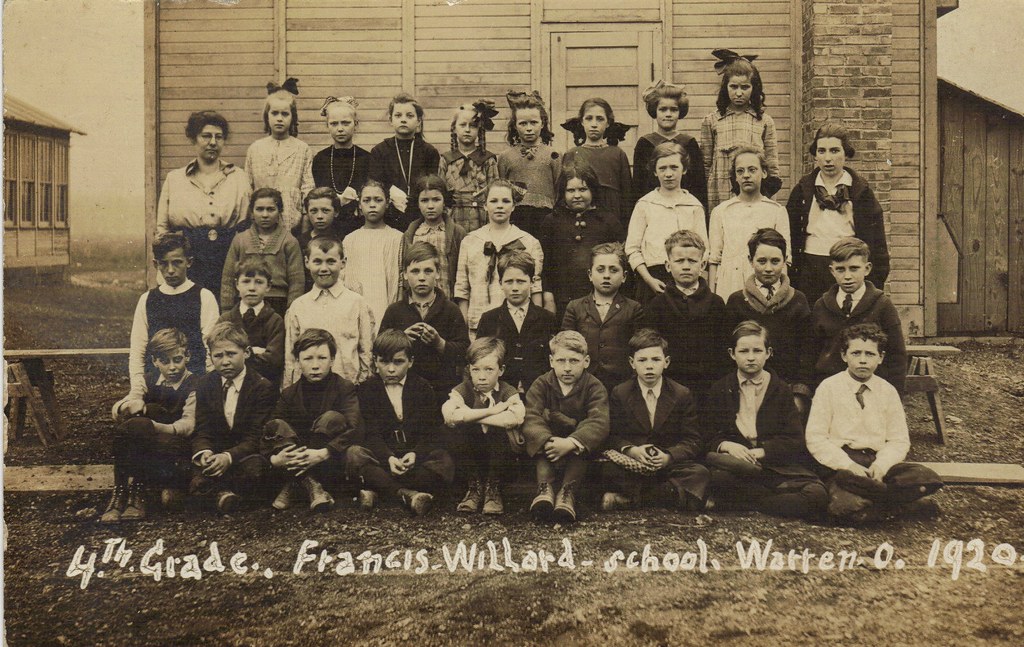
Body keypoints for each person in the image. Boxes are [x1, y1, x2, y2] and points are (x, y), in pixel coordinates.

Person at [806, 324, 943, 522]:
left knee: (927, 476)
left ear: (881, 357)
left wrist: (882, 465)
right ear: (844, 355)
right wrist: (849, 465)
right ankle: (898, 504)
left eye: (870, 354)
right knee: (845, 503)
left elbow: (899, 440)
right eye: (856, 353)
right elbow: (816, 439)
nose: (862, 360)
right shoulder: (828, 388)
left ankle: (875, 502)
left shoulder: (887, 391)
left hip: (877, 462)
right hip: (843, 466)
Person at [703, 321, 827, 519]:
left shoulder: (781, 390)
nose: (751, 357)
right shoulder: (720, 389)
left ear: (768, 353)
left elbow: (794, 440)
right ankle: (773, 499)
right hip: (737, 467)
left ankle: (751, 503)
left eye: (757, 350)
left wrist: (763, 451)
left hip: (773, 466)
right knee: (718, 477)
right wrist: (727, 445)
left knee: (817, 494)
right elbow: (707, 435)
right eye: (743, 351)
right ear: (732, 354)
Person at [601, 329, 710, 513]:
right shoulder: (620, 392)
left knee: (700, 473)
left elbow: (693, 440)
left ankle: (632, 500)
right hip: (634, 464)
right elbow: (613, 435)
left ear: (666, 362)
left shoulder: (681, 394)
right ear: (632, 363)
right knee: (606, 470)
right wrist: (632, 450)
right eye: (642, 360)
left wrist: (668, 456)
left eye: (656, 360)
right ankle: (672, 497)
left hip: (668, 466)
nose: (649, 366)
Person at [348, 330, 454, 516]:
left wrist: (416, 454)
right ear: (375, 361)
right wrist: (387, 457)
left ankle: (380, 491)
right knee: (354, 454)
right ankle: (407, 494)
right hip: (383, 460)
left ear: (410, 361)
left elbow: (431, 431)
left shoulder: (422, 387)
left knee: (444, 460)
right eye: (384, 362)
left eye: (398, 362)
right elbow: (370, 432)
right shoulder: (367, 390)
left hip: (413, 461)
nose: (390, 369)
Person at [101, 328, 199, 522]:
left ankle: (132, 490)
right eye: (165, 361)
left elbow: (188, 425)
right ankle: (124, 491)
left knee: (143, 420)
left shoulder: (195, 383)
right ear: (155, 361)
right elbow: (122, 405)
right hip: (148, 443)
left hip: (176, 447)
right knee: (139, 418)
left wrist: (152, 426)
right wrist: (129, 405)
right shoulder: (147, 380)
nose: (172, 367)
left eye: (177, 359)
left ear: (187, 356)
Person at [261, 329, 363, 513]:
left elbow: (355, 428)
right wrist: (275, 458)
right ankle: (310, 483)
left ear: (332, 360)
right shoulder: (289, 394)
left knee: (331, 418)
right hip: (296, 460)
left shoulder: (344, 388)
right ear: (298, 362)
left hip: (329, 461)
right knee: (278, 424)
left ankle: (294, 484)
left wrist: (324, 452)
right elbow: (271, 429)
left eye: (322, 358)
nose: (315, 365)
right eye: (308, 359)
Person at [787, 122, 890, 303]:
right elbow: (790, 236)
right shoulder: (803, 190)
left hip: (848, 271)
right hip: (811, 272)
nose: (828, 158)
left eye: (834, 151)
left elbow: (877, 244)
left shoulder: (861, 192)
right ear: (815, 155)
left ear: (846, 153)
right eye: (822, 151)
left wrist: (872, 284)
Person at [156, 110, 251, 293]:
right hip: (187, 259)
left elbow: (247, 225)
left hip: (227, 258)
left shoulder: (239, 178)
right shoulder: (175, 179)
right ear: (193, 138)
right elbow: (162, 229)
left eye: (219, 137)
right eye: (206, 136)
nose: (213, 142)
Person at [189, 322, 277, 514]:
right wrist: (205, 452)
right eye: (218, 356)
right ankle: (223, 494)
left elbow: (256, 436)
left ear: (246, 353)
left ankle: (220, 493)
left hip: (244, 456)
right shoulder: (205, 384)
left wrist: (229, 457)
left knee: (256, 469)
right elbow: (202, 428)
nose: (225, 361)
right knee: (193, 469)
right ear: (210, 357)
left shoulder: (262, 387)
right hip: (217, 455)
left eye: (231, 354)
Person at [523, 331, 610, 523]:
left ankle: (566, 494)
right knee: (541, 444)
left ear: (586, 361)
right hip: (549, 444)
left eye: (574, 361)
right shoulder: (542, 383)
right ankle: (544, 489)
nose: (567, 368)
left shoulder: (594, 386)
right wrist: (546, 440)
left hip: (576, 446)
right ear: (551, 360)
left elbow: (599, 421)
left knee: (583, 448)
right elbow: (531, 415)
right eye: (561, 361)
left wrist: (571, 442)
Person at [128, 233, 219, 406]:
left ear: (189, 262)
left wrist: (209, 388)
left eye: (177, 262)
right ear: (156, 264)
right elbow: (138, 349)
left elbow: (212, 346)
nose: (170, 270)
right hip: (156, 385)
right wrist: (137, 390)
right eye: (164, 263)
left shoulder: (204, 297)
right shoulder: (147, 300)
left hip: (194, 384)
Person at [724, 228, 812, 406]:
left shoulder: (798, 300)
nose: (769, 269)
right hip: (746, 389)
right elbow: (727, 354)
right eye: (762, 261)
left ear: (785, 261)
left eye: (775, 261)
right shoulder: (737, 301)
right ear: (750, 260)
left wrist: (799, 393)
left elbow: (807, 352)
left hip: (788, 391)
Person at [810, 237, 907, 393]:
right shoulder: (821, 306)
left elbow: (897, 357)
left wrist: (892, 397)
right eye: (841, 269)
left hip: (871, 389)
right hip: (831, 390)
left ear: (867, 269)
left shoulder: (882, 305)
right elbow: (811, 353)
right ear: (832, 270)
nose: (847, 276)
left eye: (854, 268)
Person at [442, 337, 526, 515]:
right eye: (476, 369)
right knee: (456, 432)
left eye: (489, 369)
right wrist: (493, 411)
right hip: (472, 453)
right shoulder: (463, 389)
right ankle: (474, 488)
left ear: (501, 370)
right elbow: (449, 415)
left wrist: (469, 415)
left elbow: (514, 418)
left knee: (501, 431)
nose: (481, 376)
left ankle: (492, 489)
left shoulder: (507, 391)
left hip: (500, 457)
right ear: (469, 370)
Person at [643, 230, 728, 402]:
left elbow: (723, 350)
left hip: (708, 386)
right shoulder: (657, 305)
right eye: (679, 261)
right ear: (668, 265)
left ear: (702, 265)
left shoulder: (716, 304)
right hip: (669, 386)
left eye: (692, 261)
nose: (686, 266)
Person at [454, 180, 545, 335]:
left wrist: (536, 324)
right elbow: (462, 288)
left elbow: (535, 286)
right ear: (484, 205)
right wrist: (464, 326)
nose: (500, 206)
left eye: (506, 201)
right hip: (479, 322)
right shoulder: (470, 241)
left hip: (518, 325)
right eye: (494, 201)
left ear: (514, 206)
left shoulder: (528, 242)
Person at [379, 241, 470, 396]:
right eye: (415, 271)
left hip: (442, 389)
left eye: (428, 271)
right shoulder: (394, 311)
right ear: (405, 275)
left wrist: (440, 344)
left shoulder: (450, 310)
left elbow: (465, 352)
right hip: (404, 390)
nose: (421, 277)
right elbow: (380, 349)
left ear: (438, 273)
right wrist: (401, 340)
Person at [284, 237, 374, 387]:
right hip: (309, 390)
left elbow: (366, 349)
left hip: (349, 389)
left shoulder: (357, 303)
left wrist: (364, 385)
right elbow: (290, 356)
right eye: (317, 261)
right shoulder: (298, 306)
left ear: (343, 263)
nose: (324, 268)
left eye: (331, 261)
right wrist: (290, 388)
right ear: (307, 262)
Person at [700, 49, 781, 214]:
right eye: (733, 86)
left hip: (755, 194)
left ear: (754, 88)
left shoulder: (764, 121)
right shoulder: (712, 121)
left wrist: (768, 196)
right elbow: (705, 165)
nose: (739, 93)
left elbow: (772, 165)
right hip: (720, 194)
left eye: (745, 87)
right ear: (725, 87)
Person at [626, 142, 707, 303]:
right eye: (662, 168)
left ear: (684, 169)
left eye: (674, 167)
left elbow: (704, 248)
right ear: (655, 171)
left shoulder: (694, 205)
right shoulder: (645, 204)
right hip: (652, 280)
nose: (668, 174)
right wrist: (649, 280)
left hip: (687, 278)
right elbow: (632, 249)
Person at [540, 161, 624, 316]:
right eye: (570, 190)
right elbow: (545, 265)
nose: (577, 195)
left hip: (600, 300)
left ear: (593, 190)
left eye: (583, 189)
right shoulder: (552, 221)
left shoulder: (608, 221)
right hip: (562, 299)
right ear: (563, 193)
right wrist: (548, 298)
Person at [707, 146, 790, 299]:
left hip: (765, 281)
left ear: (764, 173)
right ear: (735, 177)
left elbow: (784, 258)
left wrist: (781, 295)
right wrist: (712, 298)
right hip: (730, 282)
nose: (746, 175)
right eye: (740, 171)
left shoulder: (776, 211)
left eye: (752, 170)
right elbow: (714, 259)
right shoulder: (721, 211)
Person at [561, 242, 644, 392]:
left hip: (621, 383)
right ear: (590, 275)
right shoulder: (575, 307)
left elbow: (638, 349)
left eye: (613, 270)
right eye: (600, 270)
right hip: (583, 384)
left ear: (624, 276)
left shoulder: (633, 309)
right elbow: (566, 347)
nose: (606, 275)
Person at [476, 250, 559, 393]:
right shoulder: (489, 319)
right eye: (509, 282)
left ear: (532, 282)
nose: (515, 288)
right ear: (500, 283)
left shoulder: (547, 319)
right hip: (500, 393)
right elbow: (479, 359)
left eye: (521, 281)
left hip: (538, 393)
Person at [219, 188, 305, 317]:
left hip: (278, 303)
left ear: (279, 212)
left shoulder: (289, 241)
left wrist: (291, 311)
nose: (265, 215)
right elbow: (228, 278)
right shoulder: (240, 240)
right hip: (246, 300)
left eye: (270, 209)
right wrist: (227, 310)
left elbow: (296, 282)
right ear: (252, 212)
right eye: (259, 209)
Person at [245, 79, 315, 232]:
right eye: (274, 113)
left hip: (292, 223)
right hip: (261, 222)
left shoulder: (302, 149)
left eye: (285, 114)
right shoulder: (255, 149)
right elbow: (248, 189)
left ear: (293, 117)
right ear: (267, 116)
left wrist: (305, 223)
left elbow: (308, 188)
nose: (279, 118)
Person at [367, 92, 441, 232]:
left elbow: (433, 184)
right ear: (390, 120)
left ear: (419, 121)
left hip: (420, 216)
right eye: (398, 115)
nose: (403, 120)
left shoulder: (429, 152)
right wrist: (390, 191)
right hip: (389, 215)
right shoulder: (379, 151)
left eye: (409, 116)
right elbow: (375, 183)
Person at [633, 80, 707, 211]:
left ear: (680, 112)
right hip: (653, 208)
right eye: (662, 109)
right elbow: (638, 186)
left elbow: (698, 185)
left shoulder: (689, 143)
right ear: (654, 111)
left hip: (684, 207)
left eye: (673, 109)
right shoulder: (645, 143)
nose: (668, 114)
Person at [497, 90, 561, 238]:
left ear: (542, 123)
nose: (529, 128)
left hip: (546, 219)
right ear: (514, 126)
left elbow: (559, 190)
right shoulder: (505, 157)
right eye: (523, 123)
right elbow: (501, 189)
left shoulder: (554, 155)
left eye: (534, 122)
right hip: (515, 218)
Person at [343, 180, 404, 331]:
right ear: (359, 204)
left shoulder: (397, 238)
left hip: (387, 304)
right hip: (356, 307)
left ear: (388, 203)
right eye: (366, 200)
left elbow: (399, 280)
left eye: (378, 200)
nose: (372, 205)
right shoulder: (350, 240)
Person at [561, 97, 634, 225]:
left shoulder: (617, 154)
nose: (594, 124)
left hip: (612, 215)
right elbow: (565, 192)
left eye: (600, 119)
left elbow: (627, 195)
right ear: (582, 122)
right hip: (581, 218)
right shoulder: (572, 154)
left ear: (608, 123)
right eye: (589, 118)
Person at [217, 257, 286, 390]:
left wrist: (237, 355)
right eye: (246, 281)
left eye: (259, 282)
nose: (252, 288)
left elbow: (273, 361)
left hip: (264, 387)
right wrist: (255, 352)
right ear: (237, 284)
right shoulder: (226, 320)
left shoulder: (275, 321)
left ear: (269, 286)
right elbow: (219, 354)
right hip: (231, 385)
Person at [439, 100, 500, 233]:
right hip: (453, 221)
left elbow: (495, 195)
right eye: (462, 125)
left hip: (482, 222)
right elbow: (440, 196)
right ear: (454, 128)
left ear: (479, 129)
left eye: (473, 126)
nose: (467, 130)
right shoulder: (445, 160)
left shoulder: (488, 160)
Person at [310, 96, 369, 232]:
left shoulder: (366, 158)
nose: (340, 129)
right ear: (327, 126)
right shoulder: (321, 159)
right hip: (327, 225)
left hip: (359, 225)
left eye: (346, 123)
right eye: (334, 124)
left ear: (356, 124)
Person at [402, 174, 467, 298]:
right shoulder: (411, 234)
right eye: (424, 200)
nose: (430, 206)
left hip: (448, 300)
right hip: (419, 300)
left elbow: (463, 273)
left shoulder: (457, 233)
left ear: (444, 201)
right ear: (417, 203)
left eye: (436, 199)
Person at [293, 188, 352, 292]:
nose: (319, 216)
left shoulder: (345, 239)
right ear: (307, 212)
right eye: (314, 211)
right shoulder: (299, 242)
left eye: (325, 211)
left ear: (336, 212)